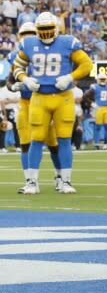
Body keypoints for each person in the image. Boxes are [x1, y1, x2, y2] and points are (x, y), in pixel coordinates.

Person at [13, 12, 93, 194]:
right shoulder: (29, 43)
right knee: (36, 138)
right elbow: (17, 67)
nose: (46, 33)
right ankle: (32, 182)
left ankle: (65, 181)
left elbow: (87, 64)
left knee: (64, 139)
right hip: (39, 97)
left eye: (49, 29)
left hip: (63, 96)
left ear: (56, 29)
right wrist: (25, 79)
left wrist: (70, 77)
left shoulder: (67, 42)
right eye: (42, 30)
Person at [6, 22, 61, 192]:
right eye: (25, 33)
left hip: (45, 101)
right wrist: (13, 86)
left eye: (31, 32)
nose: (28, 36)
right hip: (25, 103)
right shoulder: (17, 55)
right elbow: (10, 79)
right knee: (25, 143)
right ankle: (31, 181)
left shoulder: (48, 50)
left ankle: (61, 177)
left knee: (53, 143)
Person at [90, 73, 107, 150]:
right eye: (101, 79)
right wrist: (92, 103)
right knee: (98, 127)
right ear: (98, 80)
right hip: (99, 108)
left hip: (106, 108)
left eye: (104, 79)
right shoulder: (94, 87)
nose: (103, 80)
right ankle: (96, 143)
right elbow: (86, 96)